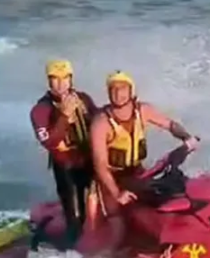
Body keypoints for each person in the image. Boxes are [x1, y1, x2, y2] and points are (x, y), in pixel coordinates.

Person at [90, 70, 199, 251]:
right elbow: (100, 165)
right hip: (110, 180)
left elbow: (170, 125)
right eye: (114, 89)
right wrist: (117, 194)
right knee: (118, 228)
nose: (118, 93)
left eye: (123, 88)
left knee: (167, 198)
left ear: (131, 90)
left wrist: (187, 137)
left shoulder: (143, 110)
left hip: (136, 172)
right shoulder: (100, 123)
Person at [30, 59, 99, 249]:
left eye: (65, 78)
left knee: (96, 209)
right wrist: (65, 117)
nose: (60, 84)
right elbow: (49, 142)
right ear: (48, 81)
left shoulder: (83, 99)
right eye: (55, 79)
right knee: (75, 213)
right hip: (66, 167)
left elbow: (99, 121)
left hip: (88, 162)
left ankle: (99, 239)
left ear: (71, 79)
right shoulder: (41, 110)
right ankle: (73, 246)